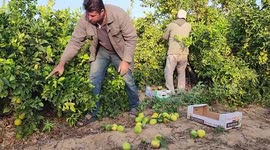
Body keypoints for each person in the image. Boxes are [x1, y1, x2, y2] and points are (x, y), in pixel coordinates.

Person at [49, 0, 140, 126]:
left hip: (120, 51)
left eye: (92, 16)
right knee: (93, 80)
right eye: (88, 14)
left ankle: (134, 106)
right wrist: (62, 63)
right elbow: (75, 42)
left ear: (102, 12)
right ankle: (92, 113)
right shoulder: (85, 20)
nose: (89, 18)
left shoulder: (118, 14)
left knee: (127, 78)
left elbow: (131, 38)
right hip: (101, 51)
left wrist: (125, 61)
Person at [162, 9, 192, 95]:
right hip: (184, 53)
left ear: (177, 16)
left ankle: (171, 91)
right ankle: (181, 91)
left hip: (173, 52)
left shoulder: (171, 25)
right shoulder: (189, 25)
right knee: (181, 72)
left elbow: (165, 37)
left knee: (169, 72)